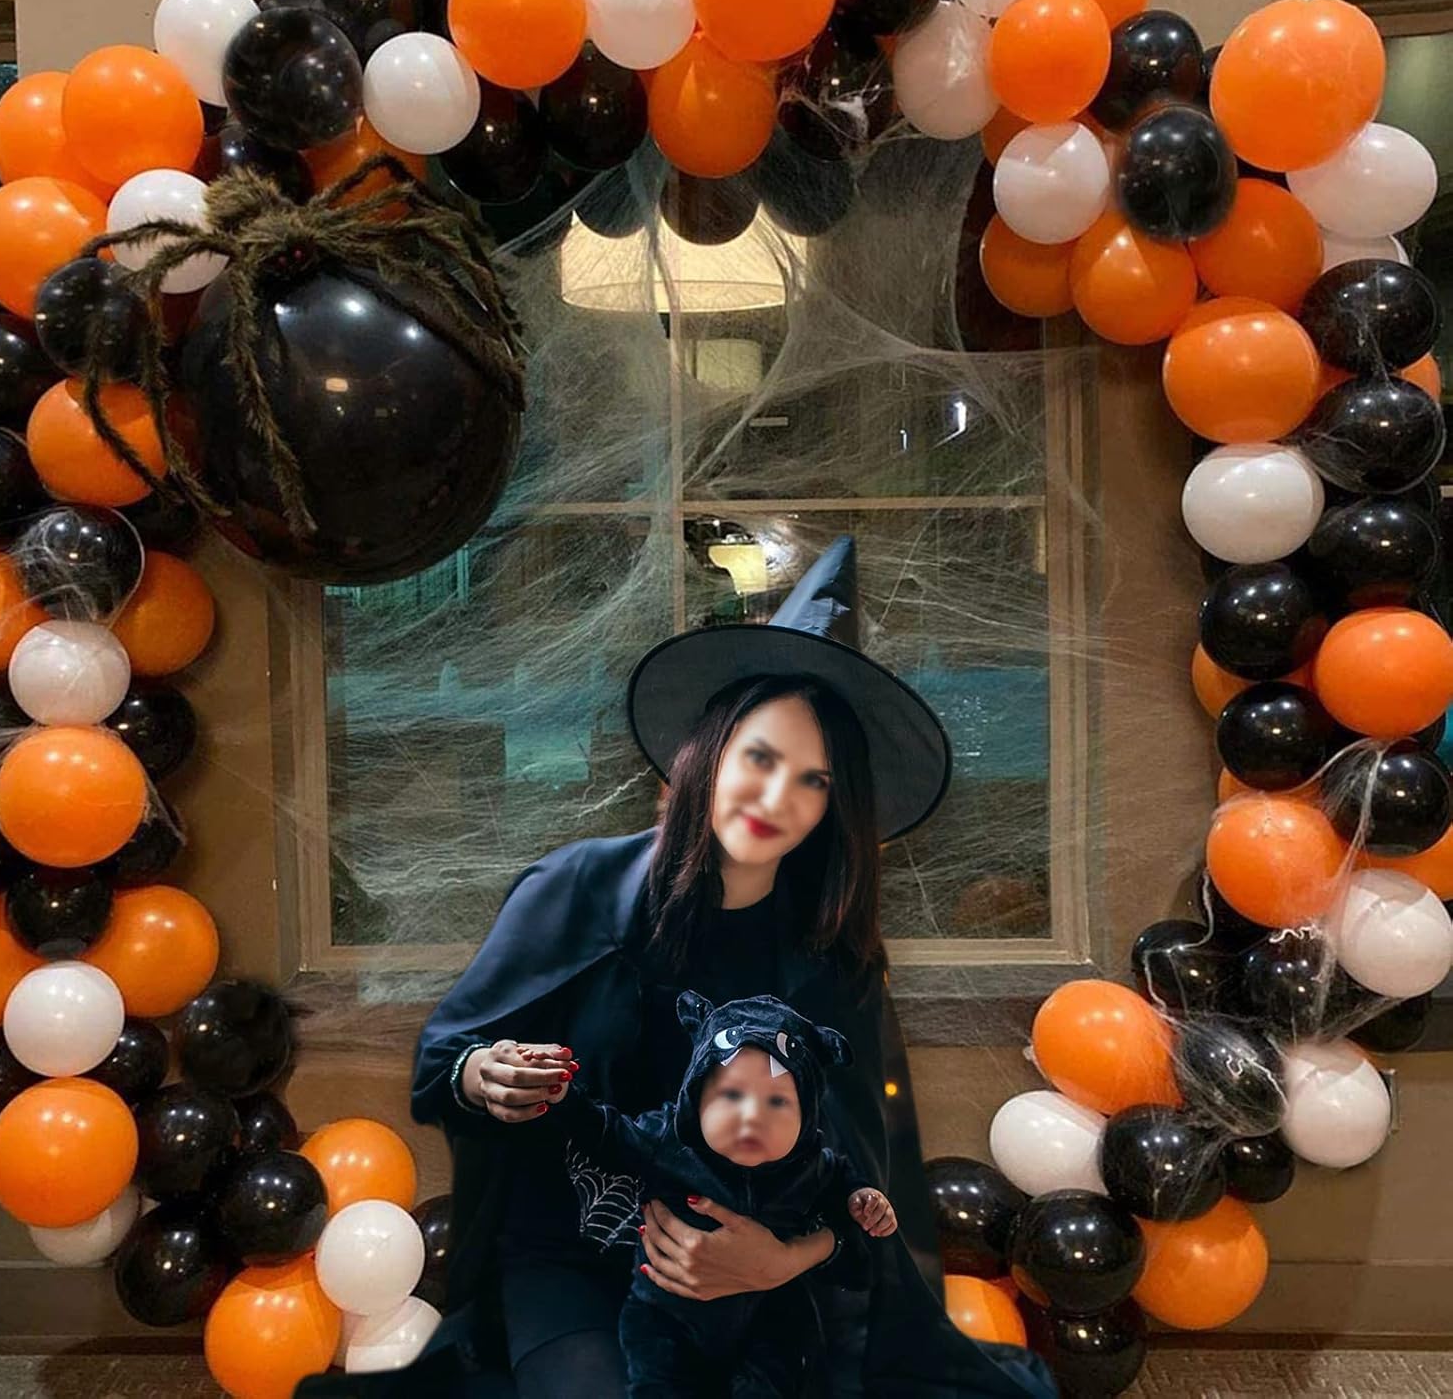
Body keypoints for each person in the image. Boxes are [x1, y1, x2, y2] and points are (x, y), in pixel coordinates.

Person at [330, 535, 1054, 1398]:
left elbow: (863, 1165)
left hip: (768, 1284)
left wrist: (786, 1258)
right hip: (578, 1262)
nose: (777, 798)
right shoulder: (577, 890)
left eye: (814, 780)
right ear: (709, 752)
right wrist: (484, 1073)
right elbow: (446, 1058)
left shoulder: (832, 951)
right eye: (761, 757)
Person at [538, 990, 899, 1397]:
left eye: (777, 1101)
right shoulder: (668, 1139)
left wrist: (862, 1199)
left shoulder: (813, 1165)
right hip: (667, 1318)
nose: (752, 1116)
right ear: (696, 1096)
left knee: (782, 1373)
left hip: (771, 1319)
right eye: (731, 1095)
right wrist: (564, 1097)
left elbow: (848, 1214)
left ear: (808, 1114)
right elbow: (606, 1133)